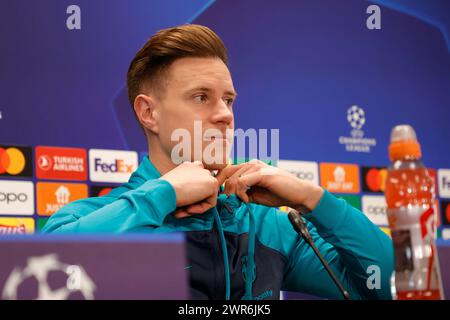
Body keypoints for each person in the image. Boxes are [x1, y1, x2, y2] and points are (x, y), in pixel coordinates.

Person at [43, 24, 394, 300]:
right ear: (148, 112)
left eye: (228, 99)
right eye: (201, 97)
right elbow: (46, 273)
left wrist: (312, 199)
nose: (225, 115)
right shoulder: (87, 219)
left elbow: (383, 285)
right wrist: (162, 194)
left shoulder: (266, 225)